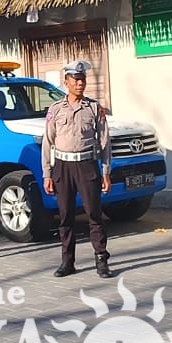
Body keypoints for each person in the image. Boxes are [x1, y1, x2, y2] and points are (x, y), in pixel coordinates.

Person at [42, 60, 113, 278]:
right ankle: (67, 261)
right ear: (66, 82)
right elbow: (47, 142)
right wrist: (47, 174)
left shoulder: (94, 108)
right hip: (62, 167)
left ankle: (101, 259)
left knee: (94, 213)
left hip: (86, 165)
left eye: (82, 80)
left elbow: (104, 142)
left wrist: (106, 172)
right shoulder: (55, 109)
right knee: (65, 216)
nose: (80, 83)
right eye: (76, 80)